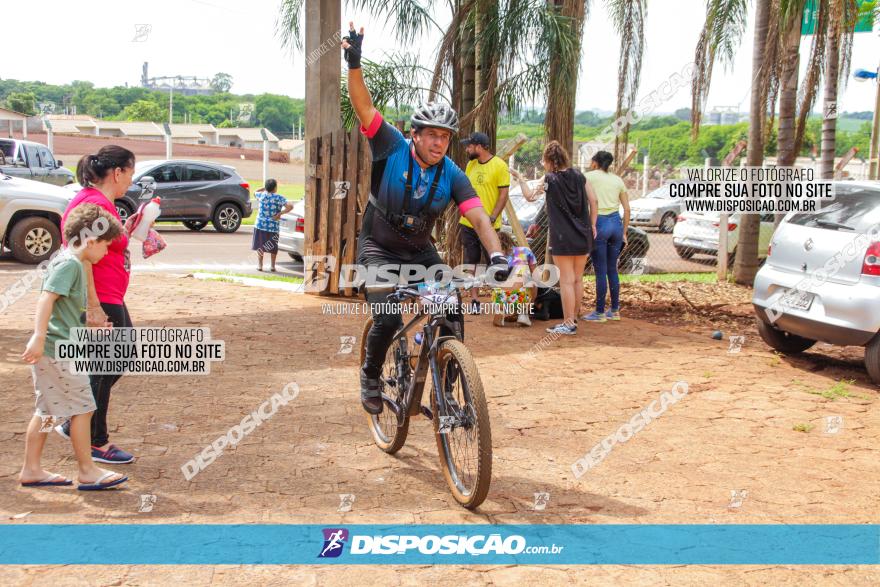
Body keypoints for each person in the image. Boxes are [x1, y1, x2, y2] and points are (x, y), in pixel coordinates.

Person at [342, 22, 508, 414]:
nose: (438, 142)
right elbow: (363, 106)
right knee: (385, 318)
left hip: (420, 255)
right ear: (414, 135)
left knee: (452, 310)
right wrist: (354, 62)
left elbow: (480, 217)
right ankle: (370, 375)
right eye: (431, 134)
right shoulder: (390, 147)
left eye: (445, 136)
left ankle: (445, 389)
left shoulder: (452, 172)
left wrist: (497, 256)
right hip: (377, 249)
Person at [20, 204, 129, 491]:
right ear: (92, 241)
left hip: (55, 350)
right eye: (105, 246)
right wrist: (38, 336)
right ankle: (87, 470)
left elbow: (63, 310)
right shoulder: (69, 264)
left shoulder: (67, 261)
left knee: (47, 411)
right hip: (58, 353)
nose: (106, 253)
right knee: (83, 408)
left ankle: (32, 468)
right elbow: (47, 299)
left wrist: (90, 328)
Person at [55, 145, 137, 465]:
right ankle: (94, 440)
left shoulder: (101, 203)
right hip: (99, 296)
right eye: (130, 173)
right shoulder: (94, 202)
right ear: (117, 173)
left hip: (109, 294)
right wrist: (92, 306)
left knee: (115, 360)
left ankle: (75, 424)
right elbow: (79, 249)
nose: (131, 180)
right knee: (104, 366)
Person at [515, 141, 598, 336]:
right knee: (578, 279)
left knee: (566, 281)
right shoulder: (580, 176)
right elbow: (594, 201)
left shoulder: (549, 179)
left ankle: (568, 323)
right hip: (583, 234)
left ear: (550, 161)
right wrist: (593, 224)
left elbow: (529, 196)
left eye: (543, 161)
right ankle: (574, 318)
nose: (543, 164)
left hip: (563, 236)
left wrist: (520, 178)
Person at [460, 131, 510, 310]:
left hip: (489, 225)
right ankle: (474, 299)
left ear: (479, 147)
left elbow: (503, 195)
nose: (467, 149)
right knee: (471, 261)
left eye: (470, 146)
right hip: (468, 223)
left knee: (493, 262)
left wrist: (493, 217)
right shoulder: (471, 165)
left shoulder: (499, 166)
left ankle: (499, 302)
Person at [583, 150, 630, 322]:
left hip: (599, 223)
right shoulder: (617, 179)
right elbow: (627, 209)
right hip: (616, 224)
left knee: (600, 270)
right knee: (612, 268)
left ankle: (599, 312)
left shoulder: (589, 176)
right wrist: (624, 231)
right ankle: (615, 310)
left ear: (595, 162)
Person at [491, 231, 537, 328]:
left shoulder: (497, 258)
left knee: (498, 283)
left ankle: (500, 309)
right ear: (510, 240)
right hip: (521, 294)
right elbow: (536, 274)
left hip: (501, 295)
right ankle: (523, 313)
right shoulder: (524, 251)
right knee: (531, 280)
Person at [252, 179, 293, 272]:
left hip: (260, 225)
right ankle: (272, 266)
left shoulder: (261, 195)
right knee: (273, 246)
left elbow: (254, 192)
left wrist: (264, 188)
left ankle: (260, 265)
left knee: (260, 246)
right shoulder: (279, 198)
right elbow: (290, 206)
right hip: (273, 227)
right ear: (275, 188)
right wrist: (280, 214)